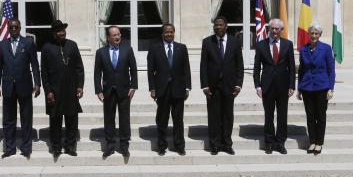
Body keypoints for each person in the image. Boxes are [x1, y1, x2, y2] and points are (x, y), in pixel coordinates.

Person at [0, 19, 41, 159]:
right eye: (11, 27)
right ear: (8, 29)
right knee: (8, 120)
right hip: (8, 86)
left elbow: (34, 64)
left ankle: (26, 148)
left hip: (25, 86)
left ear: (20, 28)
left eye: (16, 26)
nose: (13, 29)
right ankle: (10, 148)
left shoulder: (28, 43)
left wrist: (37, 84)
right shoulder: (2, 45)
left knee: (26, 118)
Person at [200, 16, 244, 155]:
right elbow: (203, 65)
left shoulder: (235, 42)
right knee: (213, 116)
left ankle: (227, 144)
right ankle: (214, 145)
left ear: (226, 26)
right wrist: (205, 85)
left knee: (227, 116)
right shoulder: (207, 42)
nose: (218, 27)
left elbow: (239, 65)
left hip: (229, 86)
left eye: (220, 25)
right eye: (216, 25)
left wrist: (238, 84)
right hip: (212, 87)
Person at [41, 20, 84, 158]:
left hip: (71, 89)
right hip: (54, 91)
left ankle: (70, 146)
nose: (62, 33)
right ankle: (56, 147)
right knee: (55, 121)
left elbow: (79, 68)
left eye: (63, 30)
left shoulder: (72, 45)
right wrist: (48, 91)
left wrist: (80, 86)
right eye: (59, 31)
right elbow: (44, 72)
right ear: (54, 33)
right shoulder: (47, 48)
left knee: (72, 119)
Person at [147, 23, 191, 156]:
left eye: (171, 32)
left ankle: (179, 146)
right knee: (162, 119)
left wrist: (187, 87)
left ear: (174, 33)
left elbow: (186, 69)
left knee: (178, 120)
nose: (169, 34)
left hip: (178, 89)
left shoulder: (181, 48)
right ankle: (161, 146)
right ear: (162, 34)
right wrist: (152, 88)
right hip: (162, 90)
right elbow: (150, 71)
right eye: (166, 32)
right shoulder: (154, 48)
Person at [94, 26, 137, 158]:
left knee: (124, 118)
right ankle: (110, 145)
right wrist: (98, 90)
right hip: (108, 91)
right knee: (109, 119)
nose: (118, 37)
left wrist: (133, 86)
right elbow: (97, 73)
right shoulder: (100, 52)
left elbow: (133, 70)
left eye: (119, 34)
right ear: (108, 37)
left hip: (124, 90)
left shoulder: (127, 50)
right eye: (114, 35)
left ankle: (124, 146)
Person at [253, 18, 296, 154]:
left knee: (282, 116)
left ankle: (280, 142)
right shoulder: (260, 45)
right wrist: (258, 86)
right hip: (267, 86)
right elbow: (256, 68)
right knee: (269, 115)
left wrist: (292, 85)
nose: (275, 31)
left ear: (281, 30)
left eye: (277, 29)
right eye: (272, 28)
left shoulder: (288, 45)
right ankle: (269, 142)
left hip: (283, 86)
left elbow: (291, 67)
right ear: (268, 29)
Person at [297, 22, 335, 155]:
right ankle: (312, 141)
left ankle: (319, 143)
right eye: (312, 33)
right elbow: (301, 70)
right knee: (310, 116)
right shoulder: (303, 49)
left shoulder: (326, 48)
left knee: (321, 116)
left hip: (322, 87)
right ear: (308, 34)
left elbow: (331, 70)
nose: (313, 36)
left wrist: (331, 88)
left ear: (320, 35)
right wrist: (299, 88)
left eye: (316, 33)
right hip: (307, 87)